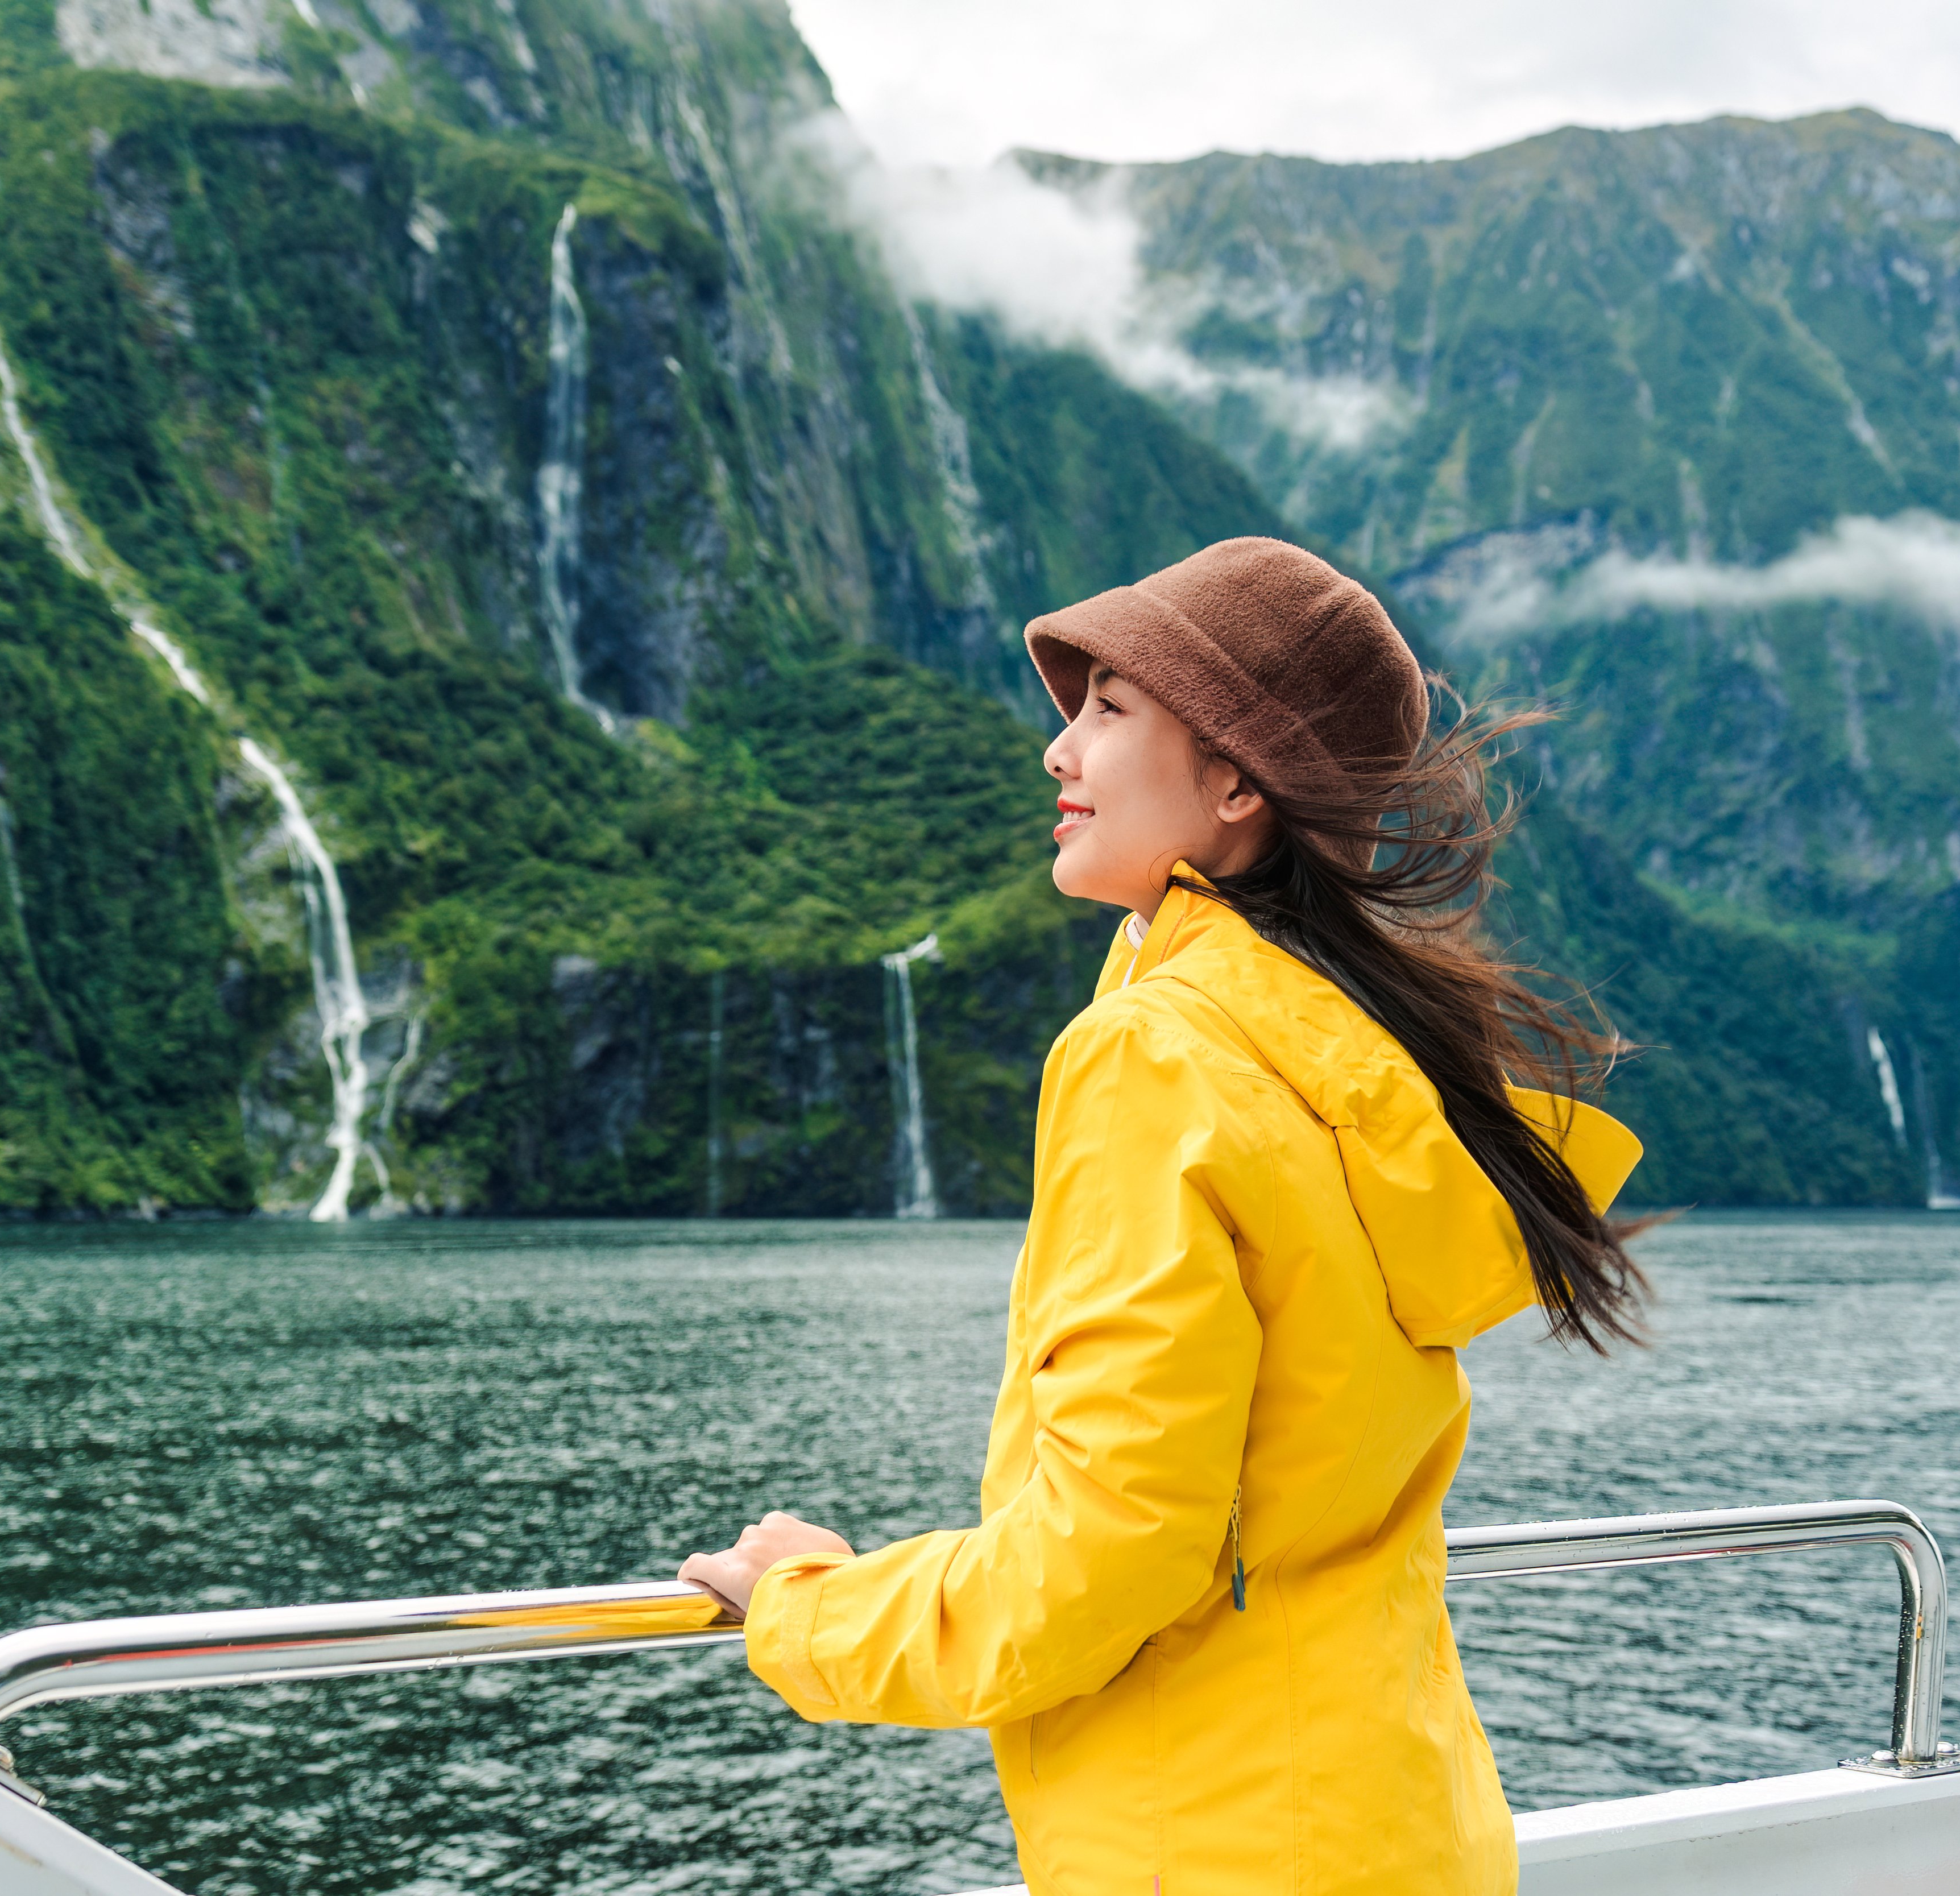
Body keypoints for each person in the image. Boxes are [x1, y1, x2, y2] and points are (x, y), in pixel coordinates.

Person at [681, 537, 1648, 1893]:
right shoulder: (1350, 1063)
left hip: (1219, 1848)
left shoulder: (1157, 1058)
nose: (1057, 753)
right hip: (1400, 1828)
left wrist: (807, 1604)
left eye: (1110, 710)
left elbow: (1103, 1557)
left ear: (1239, 778)